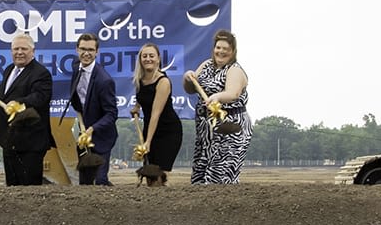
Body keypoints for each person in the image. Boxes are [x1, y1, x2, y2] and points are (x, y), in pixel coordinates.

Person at [0, 32, 53, 186]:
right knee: (12, 188)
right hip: (9, 139)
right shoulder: (9, 69)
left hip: (30, 142)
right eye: (16, 49)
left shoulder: (41, 73)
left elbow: (39, 97)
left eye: (24, 49)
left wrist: (17, 103)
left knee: (29, 189)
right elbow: (10, 92)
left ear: (33, 51)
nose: (19, 52)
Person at [182, 29, 250, 184]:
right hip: (206, 130)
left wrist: (217, 97)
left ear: (232, 52)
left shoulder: (235, 70)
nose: (221, 51)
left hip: (230, 127)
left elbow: (233, 93)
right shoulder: (206, 65)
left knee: (219, 176)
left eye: (226, 49)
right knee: (200, 175)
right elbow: (191, 88)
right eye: (218, 47)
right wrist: (188, 78)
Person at [128, 42, 183, 186]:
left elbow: (155, 114)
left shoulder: (163, 82)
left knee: (160, 177)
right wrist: (136, 107)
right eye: (144, 56)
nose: (148, 59)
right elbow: (144, 98)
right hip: (150, 130)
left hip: (167, 132)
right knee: (150, 178)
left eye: (151, 56)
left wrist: (148, 142)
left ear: (158, 59)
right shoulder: (140, 80)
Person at [66, 32, 117, 185]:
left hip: (101, 138)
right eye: (83, 49)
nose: (86, 53)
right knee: (85, 181)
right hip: (83, 134)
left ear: (97, 52)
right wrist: (83, 127)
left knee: (100, 181)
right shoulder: (76, 68)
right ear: (77, 50)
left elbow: (111, 113)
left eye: (90, 50)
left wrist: (92, 129)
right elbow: (77, 100)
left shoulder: (104, 80)